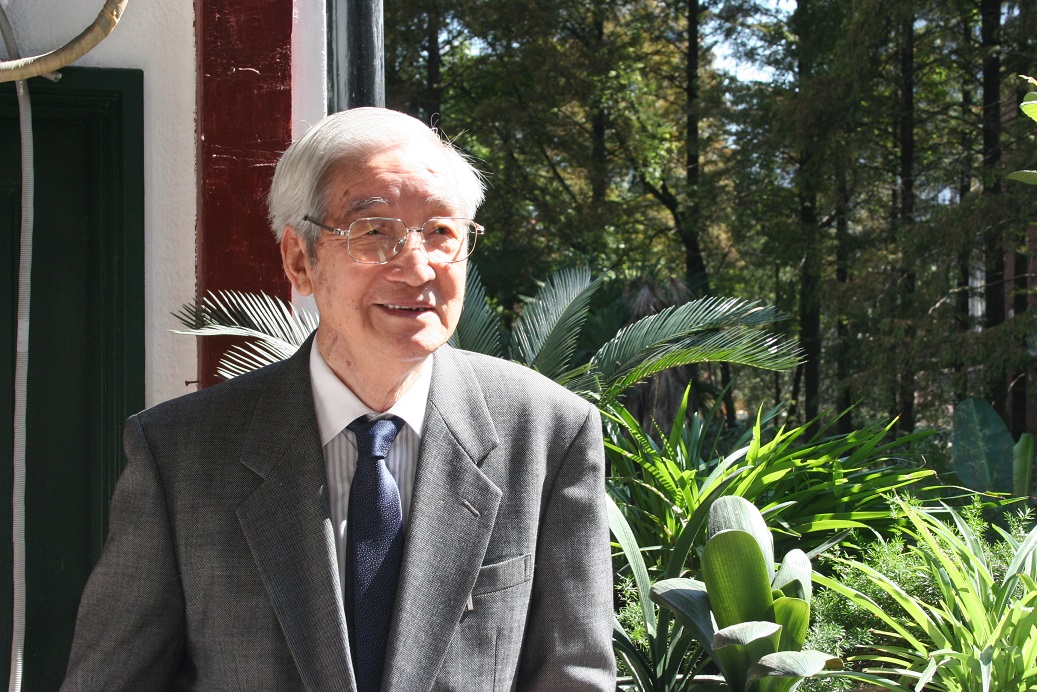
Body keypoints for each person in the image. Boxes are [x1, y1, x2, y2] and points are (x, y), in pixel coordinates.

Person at [62, 107, 616, 691]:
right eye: (373, 231)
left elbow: (574, 676)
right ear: (300, 260)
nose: (417, 268)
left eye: (441, 232)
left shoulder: (548, 434)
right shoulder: (182, 454)